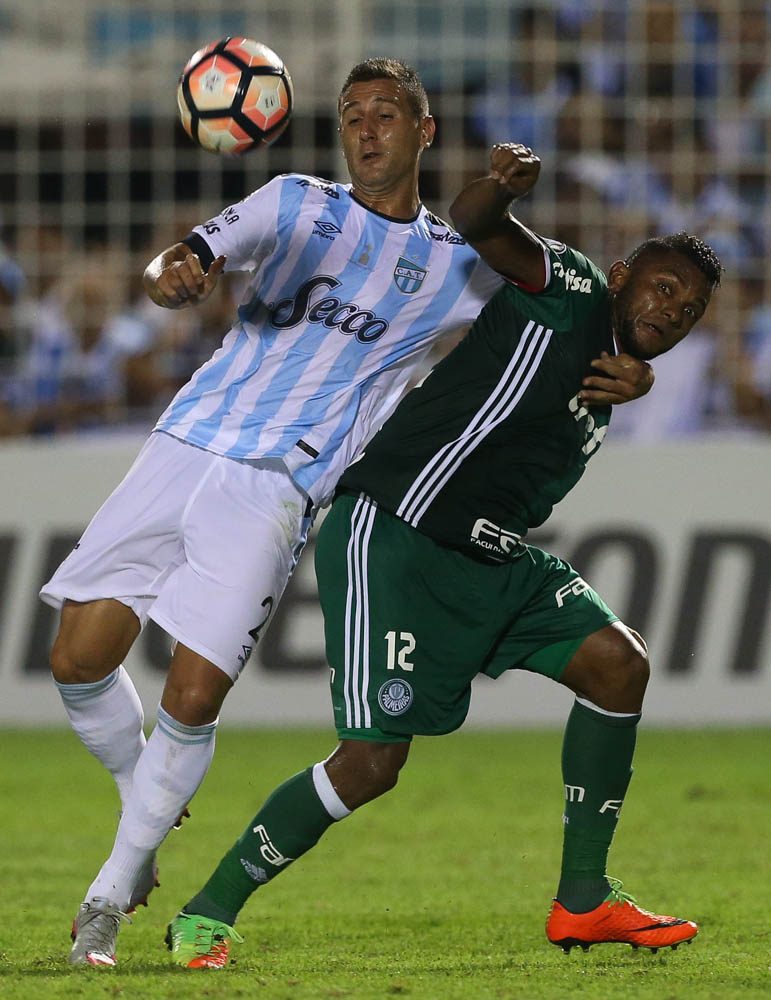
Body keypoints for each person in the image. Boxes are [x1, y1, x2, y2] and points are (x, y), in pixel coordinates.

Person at [164, 143, 721, 968]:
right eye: (663, 287)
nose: (673, 310)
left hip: (491, 558)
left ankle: (582, 903)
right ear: (618, 275)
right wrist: (499, 187)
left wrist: (635, 371)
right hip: (397, 532)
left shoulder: (613, 370)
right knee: (371, 764)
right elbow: (476, 225)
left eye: (689, 309)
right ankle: (205, 913)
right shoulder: (562, 286)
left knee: (617, 664)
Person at [42, 58, 506, 967]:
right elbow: (179, 259)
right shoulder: (295, 201)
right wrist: (169, 276)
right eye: (352, 116)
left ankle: (108, 893)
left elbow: (545, 323)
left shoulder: (457, 267)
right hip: (185, 443)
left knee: (193, 693)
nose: (366, 129)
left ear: (424, 130)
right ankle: (149, 796)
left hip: (278, 486)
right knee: (76, 657)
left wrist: (617, 362)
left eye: (385, 114)